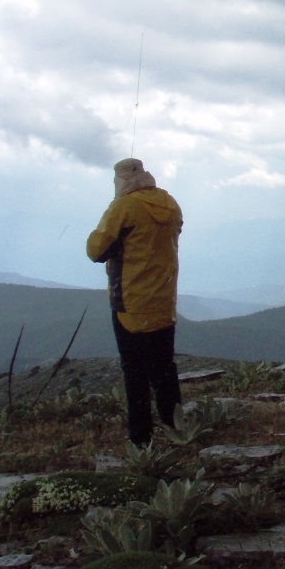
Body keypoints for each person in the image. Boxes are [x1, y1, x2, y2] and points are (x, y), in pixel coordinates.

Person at [87, 158, 183, 446]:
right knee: (164, 367)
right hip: (164, 299)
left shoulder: (123, 207)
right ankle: (176, 427)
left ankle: (141, 439)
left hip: (131, 302)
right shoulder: (169, 203)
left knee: (135, 372)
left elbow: (95, 249)